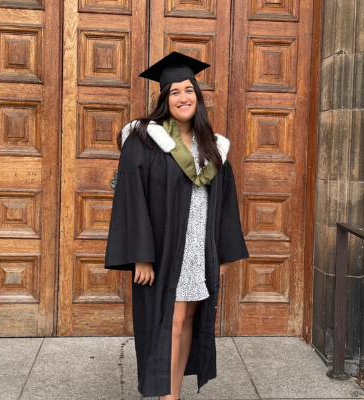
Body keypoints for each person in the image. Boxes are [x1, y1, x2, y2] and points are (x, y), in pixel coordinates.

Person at [104, 52, 249, 400]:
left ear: (197, 97)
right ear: (164, 99)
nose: (183, 98)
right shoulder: (144, 140)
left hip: (200, 248)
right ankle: (165, 395)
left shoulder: (213, 147)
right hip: (165, 250)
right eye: (174, 92)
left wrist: (224, 254)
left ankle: (173, 394)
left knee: (186, 322)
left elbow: (226, 202)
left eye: (189, 90)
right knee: (169, 323)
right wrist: (141, 256)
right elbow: (131, 199)